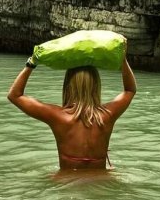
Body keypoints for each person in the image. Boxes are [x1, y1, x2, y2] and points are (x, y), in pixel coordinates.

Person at [7, 48, 137, 170]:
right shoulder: (107, 115)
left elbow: (14, 95)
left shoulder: (58, 116)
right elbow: (130, 90)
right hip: (102, 180)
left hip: (66, 182)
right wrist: (123, 59)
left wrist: (31, 63)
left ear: (68, 86)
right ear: (96, 86)